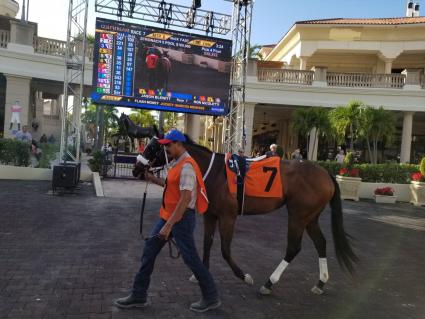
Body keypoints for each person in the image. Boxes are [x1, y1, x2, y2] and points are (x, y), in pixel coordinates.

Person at [114, 129, 220, 313]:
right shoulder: (177, 163)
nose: (167, 149)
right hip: (169, 216)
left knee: (192, 260)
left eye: (169, 145)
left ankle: (211, 297)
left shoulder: (187, 165)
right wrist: (153, 179)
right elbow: (172, 187)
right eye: (165, 146)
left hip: (180, 219)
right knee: (149, 251)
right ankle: (138, 295)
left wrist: (169, 225)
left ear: (179, 144)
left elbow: (185, 199)